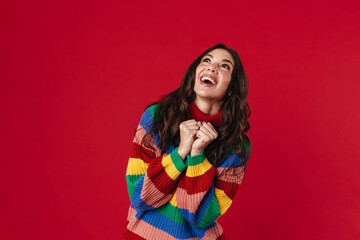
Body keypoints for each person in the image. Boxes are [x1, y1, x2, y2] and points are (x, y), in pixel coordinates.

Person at [124, 43, 251, 240]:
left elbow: (198, 217)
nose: (212, 67)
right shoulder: (157, 117)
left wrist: (197, 155)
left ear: (231, 88)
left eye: (224, 66)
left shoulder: (236, 146)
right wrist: (180, 152)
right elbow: (140, 198)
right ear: (195, 73)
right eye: (206, 61)